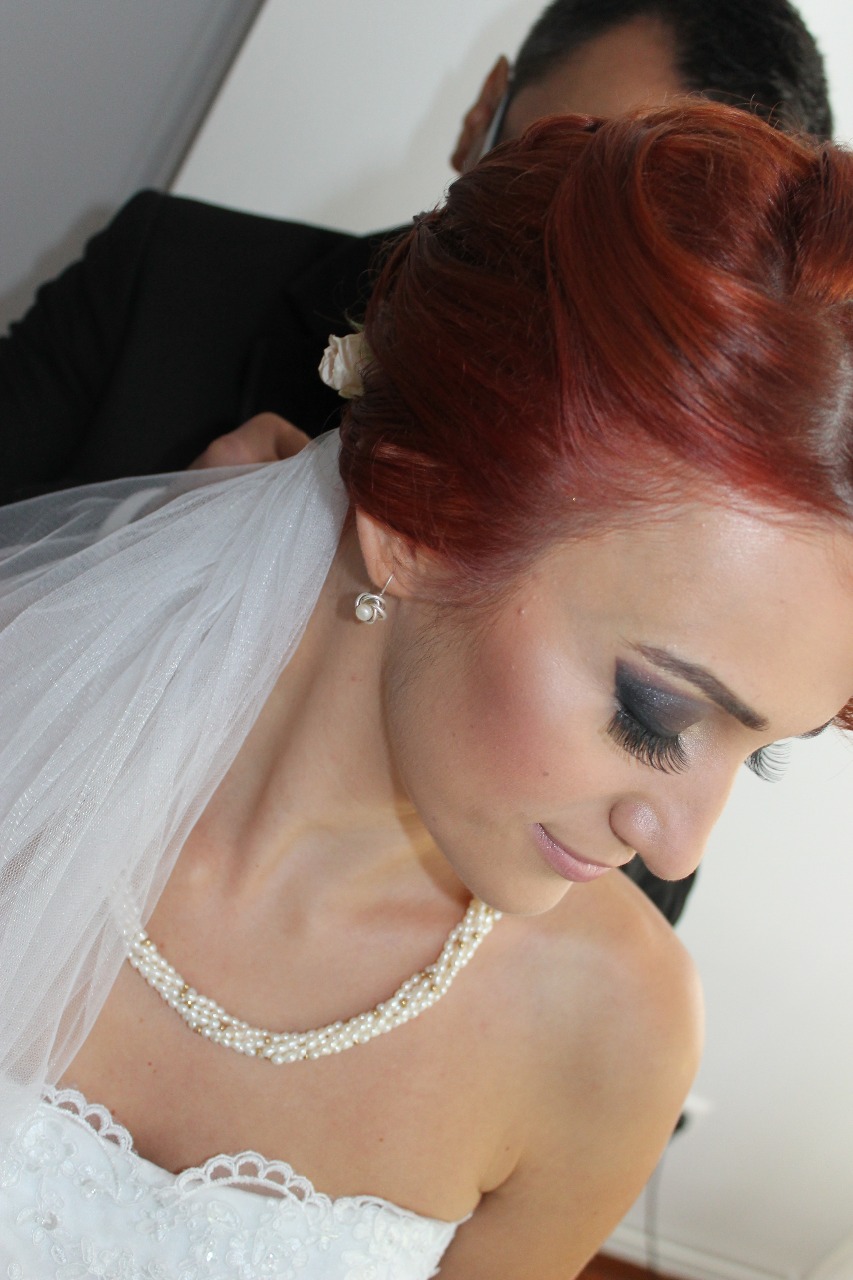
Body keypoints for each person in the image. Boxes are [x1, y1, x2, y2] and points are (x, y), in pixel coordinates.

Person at [1, 102, 853, 1278]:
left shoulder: (612, 1035)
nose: (677, 846)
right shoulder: (25, 738)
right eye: (655, 712)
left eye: (761, 752)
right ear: (412, 519)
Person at [0, 0, 831, 929]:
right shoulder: (170, 277)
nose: (594, 292)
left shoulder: (612, 883)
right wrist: (160, 551)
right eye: (571, 166)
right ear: (484, 115)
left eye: (681, 265)